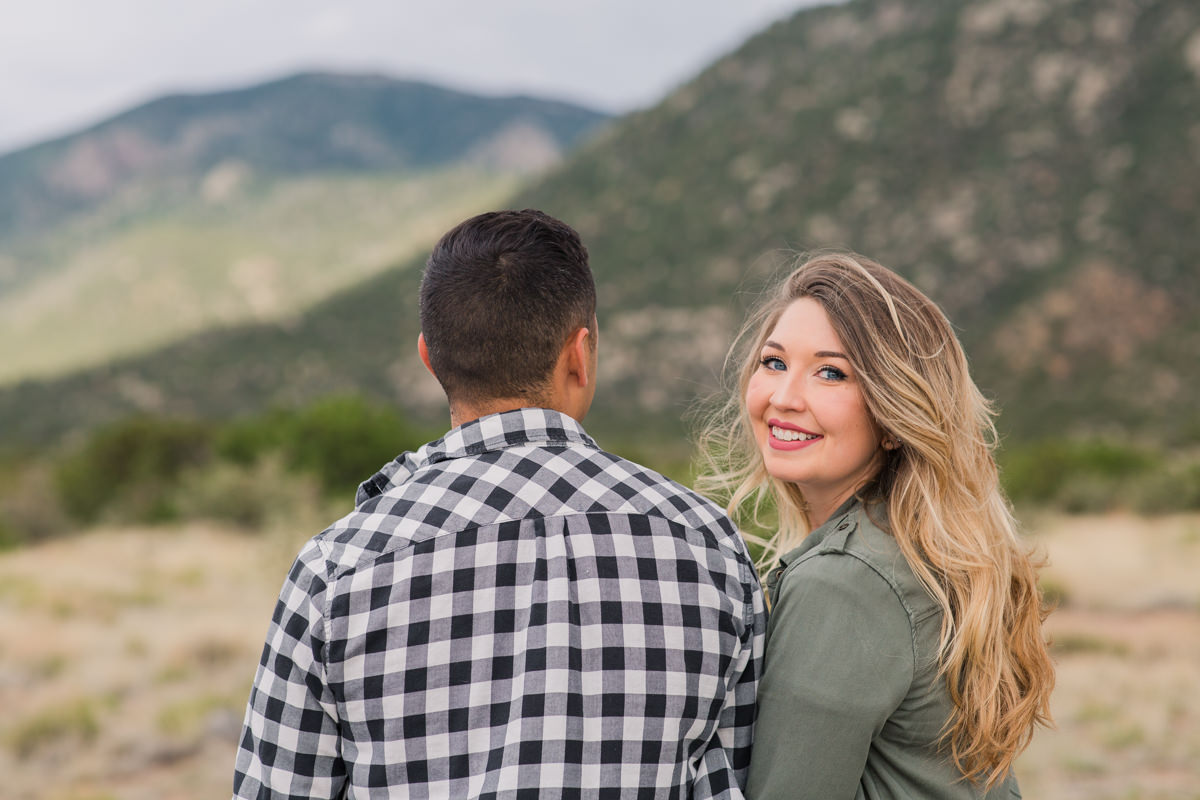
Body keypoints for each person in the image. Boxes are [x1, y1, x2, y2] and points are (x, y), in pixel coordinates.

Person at [233, 209, 766, 799]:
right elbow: (733, 778)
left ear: (430, 358)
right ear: (579, 355)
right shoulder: (707, 544)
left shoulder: (336, 569)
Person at [697, 253, 1054, 799]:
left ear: (893, 418)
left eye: (831, 373)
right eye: (773, 363)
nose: (784, 398)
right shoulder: (916, 552)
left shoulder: (844, 582)